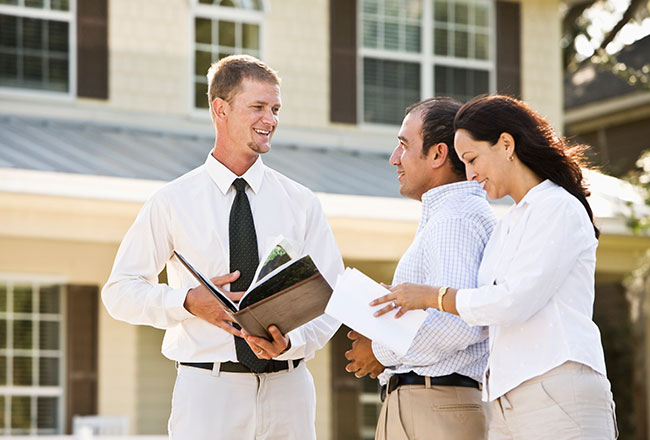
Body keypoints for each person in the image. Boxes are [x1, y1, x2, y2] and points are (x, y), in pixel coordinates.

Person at [102, 55, 343, 440]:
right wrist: (186, 302)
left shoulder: (301, 202)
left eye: (275, 109)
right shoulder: (171, 201)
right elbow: (119, 292)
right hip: (208, 394)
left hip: (290, 391)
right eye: (258, 107)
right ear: (221, 109)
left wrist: (292, 341)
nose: (271, 120)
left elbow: (334, 296)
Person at [372, 95, 618, 439]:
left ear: (506, 144)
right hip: (505, 399)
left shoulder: (558, 207)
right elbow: (486, 305)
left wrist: (433, 297)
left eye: (472, 159)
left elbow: (513, 301)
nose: (470, 174)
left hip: (558, 389)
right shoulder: (508, 223)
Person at [345, 97, 497, 440]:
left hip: (435, 405)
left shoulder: (454, 220)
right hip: (431, 404)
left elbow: (457, 325)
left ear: (438, 154)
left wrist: (379, 350)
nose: (394, 158)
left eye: (403, 145)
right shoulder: (450, 217)